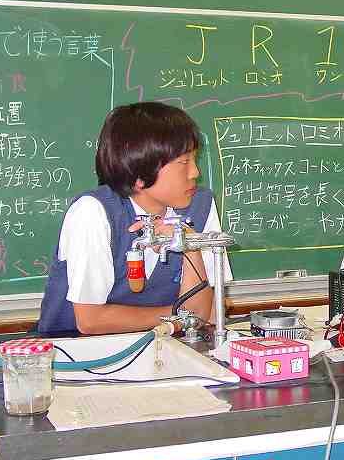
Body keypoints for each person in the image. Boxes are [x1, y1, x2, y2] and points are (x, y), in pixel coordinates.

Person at [38, 102, 231, 336]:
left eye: (195, 159)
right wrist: (180, 316)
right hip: (77, 349)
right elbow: (90, 320)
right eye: (183, 162)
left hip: (166, 345)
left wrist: (190, 245)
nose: (195, 173)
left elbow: (206, 312)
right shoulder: (92, 211)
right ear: (140, 175)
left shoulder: (201, 205)